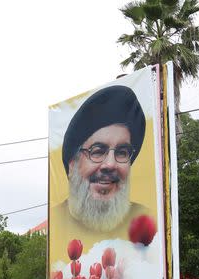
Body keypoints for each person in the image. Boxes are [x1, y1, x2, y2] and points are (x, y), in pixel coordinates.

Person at [50, 84, 149, 245]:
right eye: (97, 151)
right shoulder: (56, 221)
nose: (110, 164)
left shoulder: (147, 222)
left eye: (122, 152)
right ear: (72, 165)